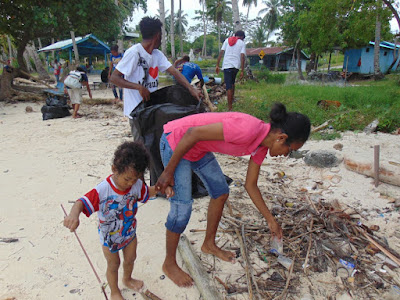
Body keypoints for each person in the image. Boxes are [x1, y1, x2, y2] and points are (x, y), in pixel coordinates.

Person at [155, 103, 311, 287]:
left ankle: (209, 245)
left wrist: (270, 220)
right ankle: (169, 263)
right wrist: (168, 171)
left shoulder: (261, 146)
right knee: (182, 208)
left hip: (197, 149)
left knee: (220, 192)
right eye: (290, 150)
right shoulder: (247, 129)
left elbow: (250, 185)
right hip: (176, 142)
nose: (286, 155)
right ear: (281, 138)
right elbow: (192, 134)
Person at [63, 141, 173, 300]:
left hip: (129, 232)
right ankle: (114, 291)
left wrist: (160, 188)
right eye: (127, 179)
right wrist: (73, 215)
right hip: (110, 238)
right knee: (113, 265)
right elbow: (81, 202)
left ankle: (127, 279)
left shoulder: (136, 185)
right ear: (114, 169)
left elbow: (147, 192)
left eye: (134, 179)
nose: (130, 183)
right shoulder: (102, 190)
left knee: (130, 258)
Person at [110, 17, 201, 142]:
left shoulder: (157, 55)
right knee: (142, 148)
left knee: (155, 147)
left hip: (151, 110)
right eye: (162, 35)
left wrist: (191, 89)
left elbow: (174, 72)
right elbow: (114, 78)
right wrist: (138, 87)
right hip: (137, 113)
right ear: (158, 35)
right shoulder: (134, 53)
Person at [215, 30, 246, 111]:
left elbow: (221, 53)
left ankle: (230, 107)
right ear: (242, 37)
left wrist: (217, 65)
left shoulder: (226, 41)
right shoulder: (242, 43)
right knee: (232, 83)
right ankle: (231, 102)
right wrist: (242, 70)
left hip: (227, 65)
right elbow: (242, 57)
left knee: (228, 86)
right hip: (236, 66)